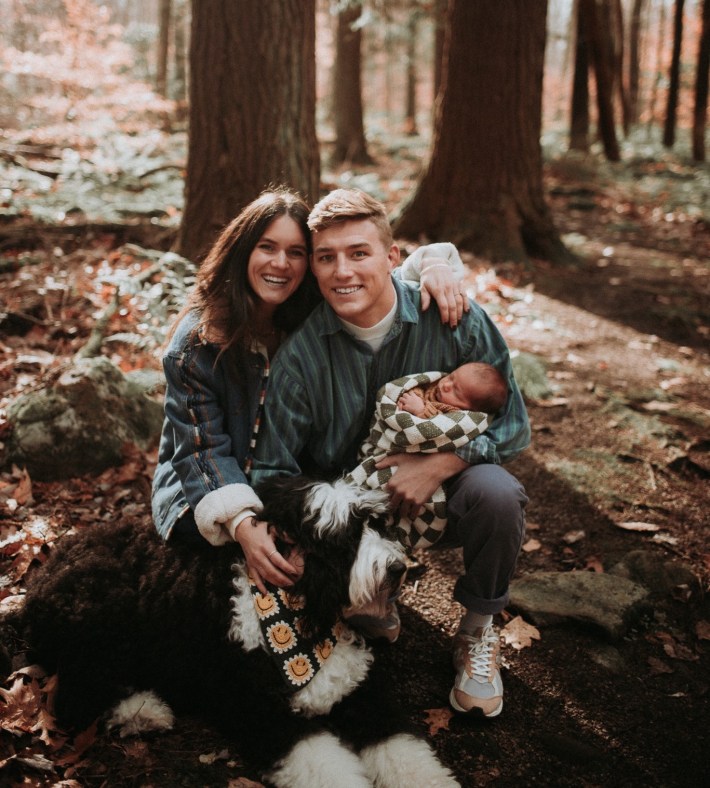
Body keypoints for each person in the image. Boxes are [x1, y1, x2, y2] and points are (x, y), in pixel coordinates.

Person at [251, 188, 530, 719]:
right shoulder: (303, 356)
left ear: (392, 257)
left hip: (448, 492)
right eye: (326, 257)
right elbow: (273, 468)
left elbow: (513, 427)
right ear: (312, 267)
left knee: (499, 493)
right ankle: (370, 592)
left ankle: (475, 633)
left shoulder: (455, 319)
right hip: (353, 507)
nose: (342, 272)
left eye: (359, 253)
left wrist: (445, 462)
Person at [151, 187, 468, 597]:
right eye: (267, 247)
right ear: (242, 250)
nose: (280, 264)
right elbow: (201, 450)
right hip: (207, 489)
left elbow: (373, 276)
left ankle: (362, 599)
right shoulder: (196, 343)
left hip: (290, 481)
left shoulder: (311, 310)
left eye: (296, 252)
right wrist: (244, 525)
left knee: (333, 534)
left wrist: (434, 263)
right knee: (259, 558)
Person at [397, 362, 508, 418]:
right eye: (451, 377)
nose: (446, 385)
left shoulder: (455, 415)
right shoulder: (435, 383)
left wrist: (421, 410)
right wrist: (414, 393)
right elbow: (421, 386)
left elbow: (440, 426)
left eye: (456, 391)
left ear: (470, 410)